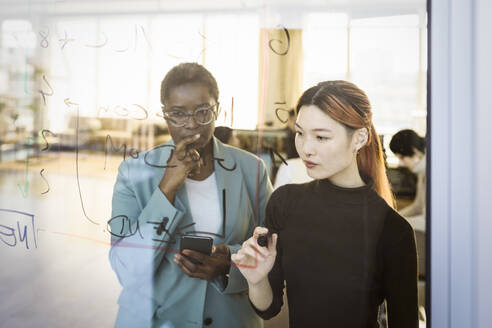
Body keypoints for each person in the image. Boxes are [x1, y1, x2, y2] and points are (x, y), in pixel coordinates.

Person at [232, 80, 418, 327]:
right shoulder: (285, 203)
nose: (306, 149)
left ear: (360, 138)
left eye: (321, 137)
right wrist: (256, 280)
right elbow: (269, 308)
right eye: (300, 133)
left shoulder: (393, 229)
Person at [109, 63, 272, 327]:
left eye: (203, 111)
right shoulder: (133, 172)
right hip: (154, 319)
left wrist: (229, 264)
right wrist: (167, 188)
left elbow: (270, 246)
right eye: (178, 113)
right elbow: (125, 268)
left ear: (217, 109)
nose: (192, 123)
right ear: (165, 115)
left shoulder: (251, 169)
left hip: (229, 318)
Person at [389, 129, 426, 231]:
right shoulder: (421, 172)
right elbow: (417, 207)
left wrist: (395, 223)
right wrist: (394, 218)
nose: (401, 164)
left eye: (402, 158)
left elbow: (428, 222)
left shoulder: (432, 173)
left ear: (414, 151)